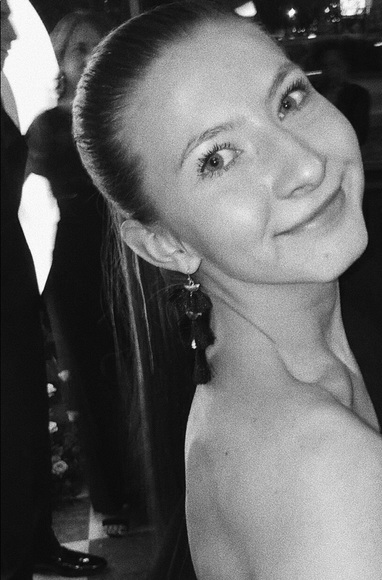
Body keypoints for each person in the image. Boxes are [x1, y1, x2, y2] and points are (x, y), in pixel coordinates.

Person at [72, 2, 382, 578]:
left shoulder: (361, 299)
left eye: (289, 99)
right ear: (165, 245)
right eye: (218, 157)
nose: (306, 165)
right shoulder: (323, 469)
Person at [1, 1, 107, 577]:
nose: (10, 29)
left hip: (14, 277)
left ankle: (34, 542)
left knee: (22, 420)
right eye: (0, 17)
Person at [26, 10, 131, 538]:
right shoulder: (47, 124)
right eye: (80, 49)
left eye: (98, 45)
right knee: (89, 382)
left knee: (139, 371)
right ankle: (115, 499)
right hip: (71, 263)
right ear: (62, 58)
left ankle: (156, 482)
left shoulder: (122, 112)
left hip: (129, 257)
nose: (91, 57)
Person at [312, 44, 371, 145]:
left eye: (334, 65)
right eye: (325, 66)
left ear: (345, 67)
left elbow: (359, 133)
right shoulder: (315, 93)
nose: (330, 70)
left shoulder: (357, 95)